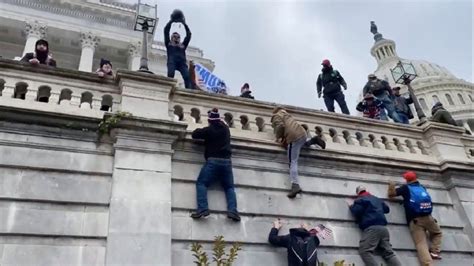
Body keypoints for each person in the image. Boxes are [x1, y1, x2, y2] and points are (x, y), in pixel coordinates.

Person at [190, 108, 240, 222]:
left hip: (213, 161)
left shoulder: (209, 130)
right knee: (229, 187)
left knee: (202, 183)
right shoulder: (226, 130)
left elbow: (195, 134)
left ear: (210, 120)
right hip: (227, 162)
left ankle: (203, 209)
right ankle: (233, 211)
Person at [388, 171, 442, 265]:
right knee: (438, 233)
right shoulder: (422, 187)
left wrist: (391, 185)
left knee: (421, 243)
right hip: (429, 217)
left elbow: (391, 194)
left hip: (415, 220)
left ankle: (428, 264)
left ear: (407, 180)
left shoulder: (405, 188)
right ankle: (434, 251)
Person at [271, 107, 326, 198]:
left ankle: (295, 185)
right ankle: (313, 140)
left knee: (292, 161)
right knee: (300, 144)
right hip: (302, 133)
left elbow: (280, 126)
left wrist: (277, 137)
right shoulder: (287, 115)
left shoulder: (276, 116)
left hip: (293, 137)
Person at [348, 186, 402, 266]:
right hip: (383, 229)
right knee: (388, 253)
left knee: (365, 251)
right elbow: (386, 209)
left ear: (358, 193)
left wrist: (351, 206)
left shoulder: (360, 200)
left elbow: (356, 212)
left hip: (372, 228)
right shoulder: (376, 199)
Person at [164, 11, 192, 89]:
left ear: (180, 39)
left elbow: (189, 35)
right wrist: (171, 21)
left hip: (182, 64)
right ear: (171, 38)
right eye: (174, 36)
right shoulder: (169, 44)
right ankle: (169, 88)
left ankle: (189, 91)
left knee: (187, 76)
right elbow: (166, 30)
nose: (176, 38)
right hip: (172, 62)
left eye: (178, 37)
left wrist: (184, 24)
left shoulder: (182, 46)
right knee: (170, 74)